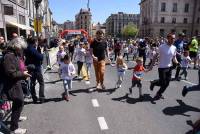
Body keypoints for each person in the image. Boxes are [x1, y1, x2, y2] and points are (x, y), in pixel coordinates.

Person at [3, 37, 31, 134]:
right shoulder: (9, 56)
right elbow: (10, 73)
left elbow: (16, 69)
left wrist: (24, 71)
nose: (22, 50)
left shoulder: (13, 54)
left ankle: (16, 119)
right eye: (21, 48)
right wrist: (23, 74)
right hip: (11, 84)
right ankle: (14, 128)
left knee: (19, 102)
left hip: (15, 83)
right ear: (16, 47)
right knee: (19, 102)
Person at [149, 33, 179, 100]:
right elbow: (155, 56)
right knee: (163, 82)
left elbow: (174, 58)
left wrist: (177, 63)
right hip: (162, 67)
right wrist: (151, 66)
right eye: (172, 38)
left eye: (174, 38)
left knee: (167, 83)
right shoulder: (161, 47)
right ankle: (154, 83)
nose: (173, 40)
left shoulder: (174, 48)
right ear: (168, 38)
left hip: (169, 67)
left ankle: (159, 93)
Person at [24, 38, 45, 104]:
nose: (36, 43)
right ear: (34, 42)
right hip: (36, 68)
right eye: (36, 42)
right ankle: (41, 98)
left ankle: (34, 98)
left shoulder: (26, 49)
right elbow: (40, 57)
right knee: (41, 83)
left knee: (32, 84)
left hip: (30, 68)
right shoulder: (33, 49)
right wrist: (41, 52)